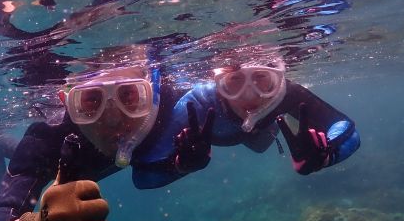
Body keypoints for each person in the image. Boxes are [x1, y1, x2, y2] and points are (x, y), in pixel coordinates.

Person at [0, 61, 212, 221]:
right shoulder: (49, 139)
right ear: (67, 102)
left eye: (128, 95)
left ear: (153, 92)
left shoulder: (172, 107)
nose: (112, 120)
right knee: (24, 154)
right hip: (63, 164)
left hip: (85, 168)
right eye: (90, 101)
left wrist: (181, 163)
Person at [133, 57, 360, 189]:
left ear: (278, 81)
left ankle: (278, 124)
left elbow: (347, 131)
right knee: (259, 142)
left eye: (262, 79)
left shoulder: (287, 93)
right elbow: (141, 177)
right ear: (218, 84)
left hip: (260, 133)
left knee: (260, 146)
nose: (250, 96)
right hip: (231, 135)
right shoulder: (199, 102)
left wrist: (325, 154)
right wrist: (181, 164)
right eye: (234, 81)